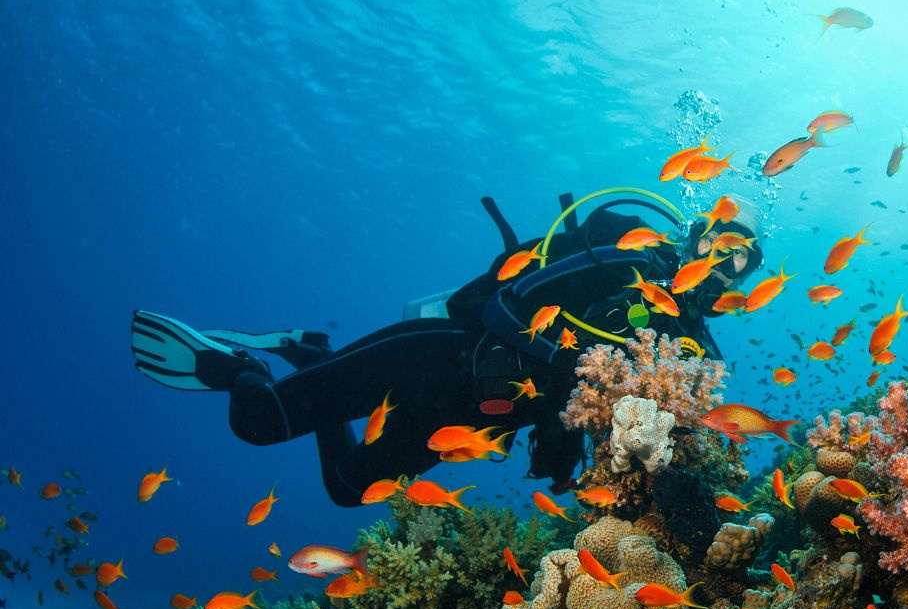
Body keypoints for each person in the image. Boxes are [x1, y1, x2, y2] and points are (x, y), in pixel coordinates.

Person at [131, 190, 763, 507]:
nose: (730, 265)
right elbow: (504, 307)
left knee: (350, 491)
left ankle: (308, 356)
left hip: (469, 421)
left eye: (747, 261)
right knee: (258, 422)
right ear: (698, 234)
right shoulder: (624, 260)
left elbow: (614, 416)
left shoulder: (690, 349)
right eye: (726, 242)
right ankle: (238, 366)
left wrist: (565, 438)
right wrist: (576, 367)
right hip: (440, 354)